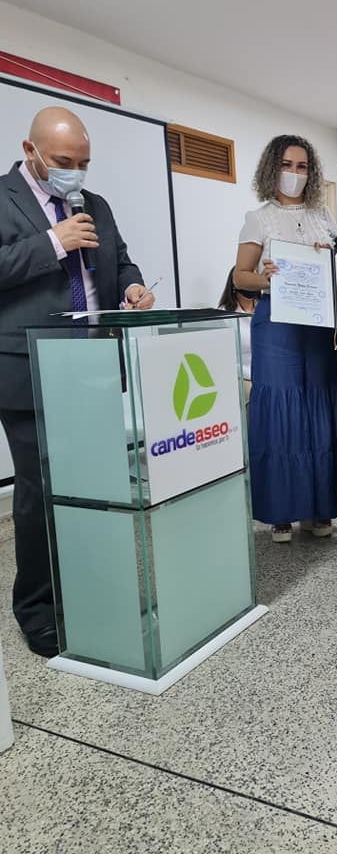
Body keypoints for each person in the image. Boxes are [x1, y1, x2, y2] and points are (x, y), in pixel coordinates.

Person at [0, 106, 155, 657]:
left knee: (96, 485)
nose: (76, 173)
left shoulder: (97, 205)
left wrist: (132, 288)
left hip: (94, 364)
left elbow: (122, 262)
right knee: (40, 491)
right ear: (30, 151)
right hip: (28, 366)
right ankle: (38, 609)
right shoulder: (1, 198)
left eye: (84, 163)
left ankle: (92, 589)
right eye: (64, 161)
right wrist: (53, 242)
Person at [233, 135, 337, 543]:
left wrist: (327, 258)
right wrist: (268, 278)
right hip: (276, 327)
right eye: (286, 165)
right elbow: (240, 277)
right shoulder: (258, 218)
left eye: (302, 166)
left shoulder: (323, 217)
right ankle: (281, 513)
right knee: (281, 414)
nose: (294, 173)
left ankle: (318, 509)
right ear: (271, 169)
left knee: (318, 411)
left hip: (316, 326)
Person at [218, 268, 256, 402]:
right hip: (241, 376)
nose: (251, 284)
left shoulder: (265, 309)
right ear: (234, 284)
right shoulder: (223, 315)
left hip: (269, 375)